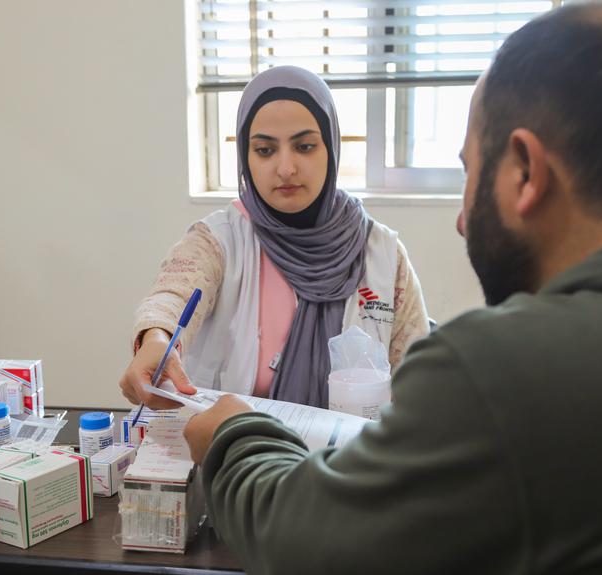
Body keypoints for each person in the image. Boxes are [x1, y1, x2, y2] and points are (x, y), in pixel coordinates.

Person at [182, 3, 602, 575]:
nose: (464, 219)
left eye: (469, 172)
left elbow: (300, 544)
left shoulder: (511, 369)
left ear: (524, 170)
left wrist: (233, 433)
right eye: (264, 149)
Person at [120, 66, 429, 411]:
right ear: (245, 157)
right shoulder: (218, 241)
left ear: (331, 147)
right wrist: (156, 337)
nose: (286, 168)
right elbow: (171, 295)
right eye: (265, 150)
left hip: (354, 461)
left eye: (305, 146)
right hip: (235, 456)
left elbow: (420, 379)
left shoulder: (382, 255)